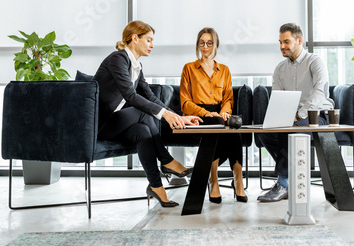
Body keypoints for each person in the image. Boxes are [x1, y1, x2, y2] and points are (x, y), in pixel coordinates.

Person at [94, 20, 202, 208]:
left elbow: (150, 96)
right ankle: (167, 161)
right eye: (149, 40)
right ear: (135, 38)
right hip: (100, 125)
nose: (152, 45)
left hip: (116, 124)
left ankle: (156, 187)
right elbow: (131, 96)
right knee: (141, 112)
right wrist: (166, 116)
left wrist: (177, 116)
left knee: (143, 132)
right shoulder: (117, 59)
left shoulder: (137, 66)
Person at [257, 23, 334, 202]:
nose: (282, 46)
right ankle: (295, 172)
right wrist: (281, 116)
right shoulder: (280, 69)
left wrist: (299, 114)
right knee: (264, 132)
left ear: (299, 40)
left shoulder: (315, 62)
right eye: (280, 42)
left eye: (286, 42)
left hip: (317, 116)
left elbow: (319, 92)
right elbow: (278, 97)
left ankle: (284, 183)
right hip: (291, 118)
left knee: (287, 128)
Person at [180, 27, 248, 203]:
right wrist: (205, 112)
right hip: (198, 114)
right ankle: (214, 180)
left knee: (234, 127)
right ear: (198, 45)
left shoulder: (224, 70)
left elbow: (228, 99)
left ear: (216, 45)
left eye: (209, 43)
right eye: (202, 43)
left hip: (220, 114)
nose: (205, 47)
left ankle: (237, 179)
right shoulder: (189, 68)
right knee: (218, 125)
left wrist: (225, 112)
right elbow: (185, 102)